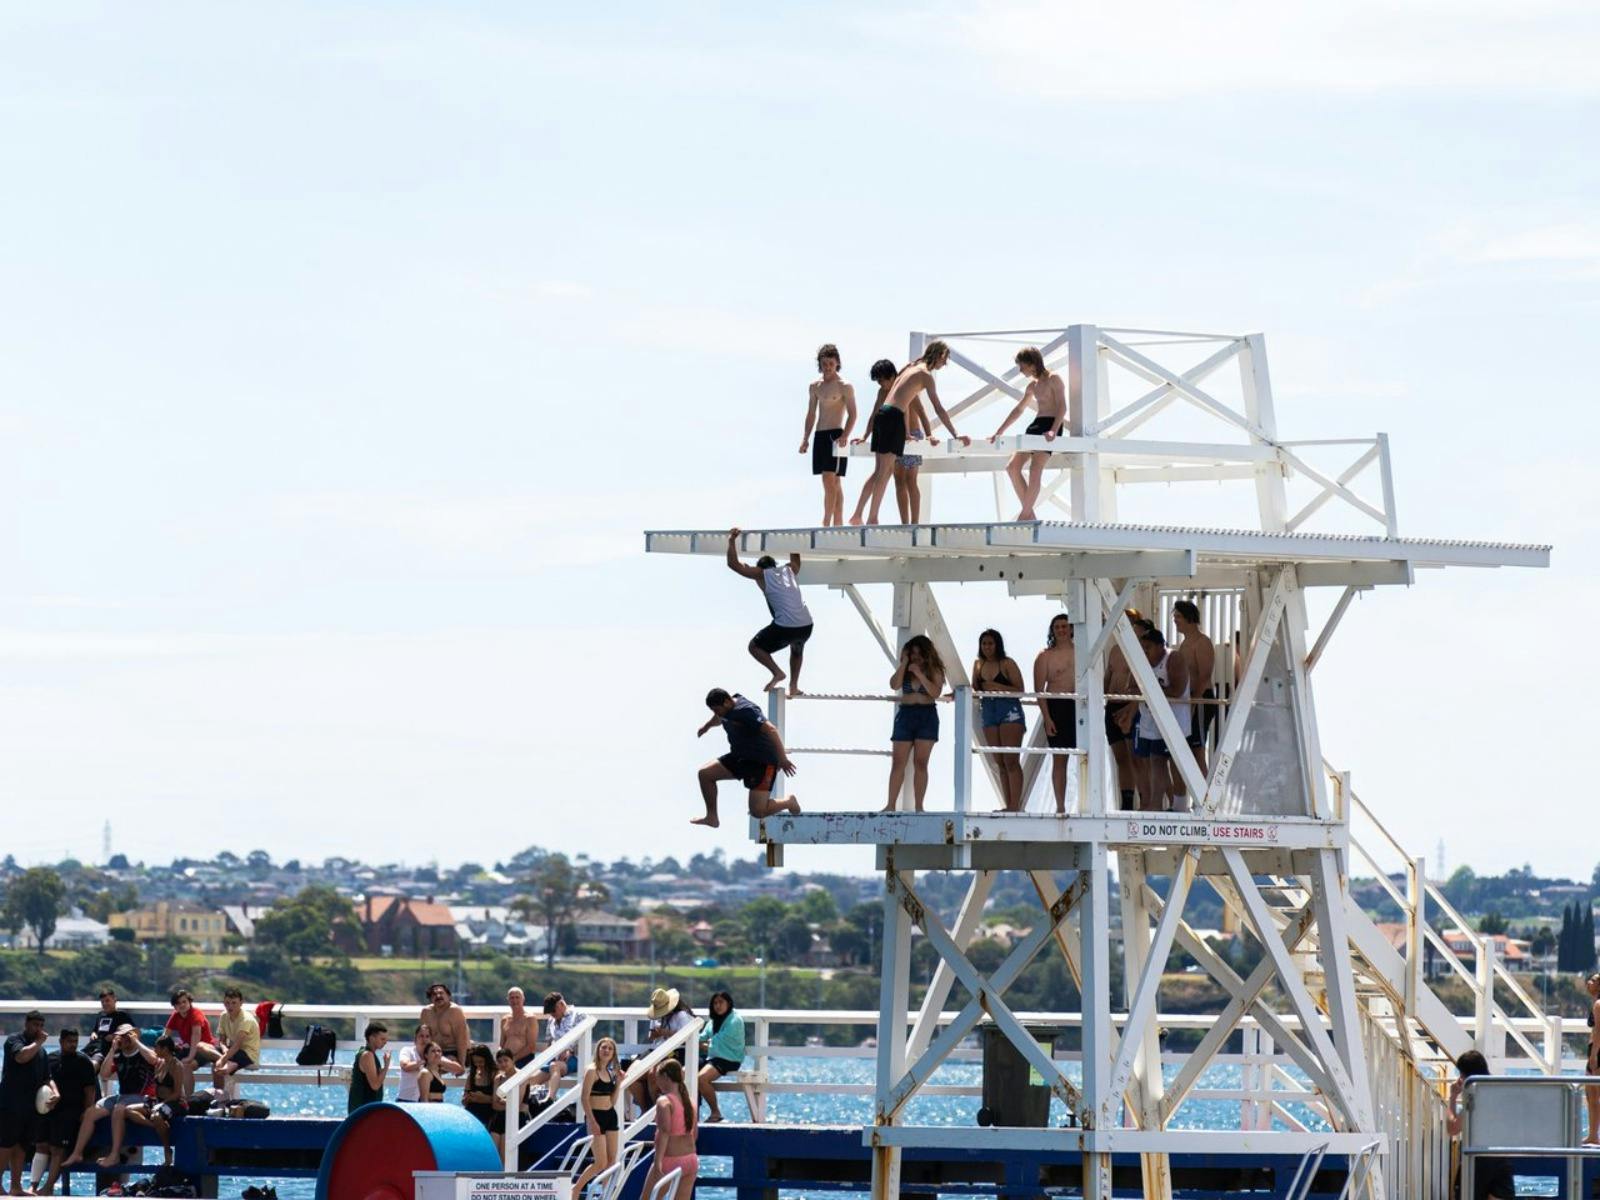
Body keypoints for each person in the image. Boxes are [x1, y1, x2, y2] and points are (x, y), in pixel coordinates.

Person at [858, 341, 970, 526]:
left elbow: (902, 394)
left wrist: (867, 435)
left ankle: (871, 516)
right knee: (885, 472)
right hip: (893, 417)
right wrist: (955, 434)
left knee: (881, 472)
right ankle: (872, 518)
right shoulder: (925, 375)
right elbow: (938, 408)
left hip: (883, 415)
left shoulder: (911, 367)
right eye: (945, 360)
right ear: (940, 356)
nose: (945, 364)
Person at [694, 688, 801, 827]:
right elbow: (719, 718)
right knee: (705, 774)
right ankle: (712, 817)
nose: (716, 714)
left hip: (763, 762)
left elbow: (771, 730)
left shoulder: (746, 711)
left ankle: (789, 801)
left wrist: (783, 759)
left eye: (717, 710)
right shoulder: (726, 708)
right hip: (740, 757)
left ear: (726, 702)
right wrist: (706, 726)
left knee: (758, 811)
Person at [850, 359, 939, 525]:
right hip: (894, 434)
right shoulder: (882, 393)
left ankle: (914, 522)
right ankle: (904, 522)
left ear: (892, 376)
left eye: (883, 380)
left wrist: (928, 435)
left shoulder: (907, 388)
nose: (881, 384)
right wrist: (865, 436)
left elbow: (922, 414)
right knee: (897, 479)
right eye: (878, 381)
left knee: (911, 480)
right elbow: (874, 415)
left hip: (912, 436)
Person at [725, 529, 812, 696]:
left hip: (786, 626)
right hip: (806, 626)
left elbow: (733, 564)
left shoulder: (762, 574)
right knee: (796, 648)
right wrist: (793, 540)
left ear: (760, 569)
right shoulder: (790, 570)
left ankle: (777, 672)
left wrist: (731, 540)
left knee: (754, 647)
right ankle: (793, 686)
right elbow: (796, 560)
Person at [989, 347, 1067, 520]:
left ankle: (1024, 515)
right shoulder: (1032, 386)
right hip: (1035, 426)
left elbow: (1062, 407)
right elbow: (1019, 410)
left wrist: (1053, 430)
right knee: (1012, 467)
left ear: (1032, 364)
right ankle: (1029, 515)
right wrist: (999, 432)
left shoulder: (1054, 379)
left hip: (1050, 425)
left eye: (1021, 366)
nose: (1020, 370)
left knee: (1035, 469)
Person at [62, 1025, 154, 1168]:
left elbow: (153, 1059)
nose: (123, 1039)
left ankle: (114, 1154)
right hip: (123, 1095)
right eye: (120, 1036)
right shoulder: (117, 1055)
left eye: (126, 1036)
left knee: (119, 1109)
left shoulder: (142, 1052)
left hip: (141, 1096)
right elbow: (104, 1074)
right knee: (90, 1112)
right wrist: (112, 1050)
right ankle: (77, 1153)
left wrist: (136, 1042)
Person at [97, 1035, 185, 1168]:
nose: (154, 1049)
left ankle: (167, 1149)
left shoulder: (176, 1065)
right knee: (128, 1110)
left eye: (157, 1047)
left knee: (157, 1115)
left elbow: (177, 1093)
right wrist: (155, 1101)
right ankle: (157, 1126)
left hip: (174, 1102)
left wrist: (163, 1103)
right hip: (158, 1101)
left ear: (165, 1049)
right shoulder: (160, 1064)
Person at [798, 344, 857, 527]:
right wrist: (805, 439)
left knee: (828, 479)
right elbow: (811, 414)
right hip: (820, 435)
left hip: (836, 435)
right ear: (820, 364)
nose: (828, 367)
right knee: (834, 482)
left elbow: (853, 414)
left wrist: (846, 435)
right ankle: (838, 522)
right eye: (824, 363)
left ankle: (826, 522)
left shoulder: (844, 386)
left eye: (831, 363)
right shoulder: (815, 386)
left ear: (837, 363)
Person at [884, 636, 945, 813]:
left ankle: (919, 806)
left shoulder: (933, 669)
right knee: (898, 763)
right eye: (913, 653)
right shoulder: (905, 670)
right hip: (906, 715)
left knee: (921, 763)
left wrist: (919, 673)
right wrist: (904, 664)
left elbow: (935, 692)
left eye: (919, 653)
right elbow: (894, 684)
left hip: (927, 715)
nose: (916, 656)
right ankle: (890, 805)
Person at [1132, 627, 1190, 812]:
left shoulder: (1173, 659)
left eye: (1148, 647)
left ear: (1159, 646)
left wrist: (1151, 692)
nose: (1145, 652)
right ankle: (1156, 806)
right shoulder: (1143, 662)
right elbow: (1131, 688)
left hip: (1175, 722)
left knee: (1176, 764)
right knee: (1155, 761)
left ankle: (1180, 806)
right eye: (1142, 648)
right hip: (1152, 723)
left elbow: (1177, 690)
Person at [33, 1027, 95, 1196]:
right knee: (41, 1145)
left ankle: (48, 1187)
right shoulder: (51, 1059)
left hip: (70, 1113)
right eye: (69, 1041)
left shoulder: (83, 1061)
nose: (73, 1045)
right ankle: (34, 1185)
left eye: (75, 1042)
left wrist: (87, 1111)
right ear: (61, 1042)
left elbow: (90, 1090)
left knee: (57, 1149)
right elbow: (43, 1082)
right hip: (49, 1110)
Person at [1447, 1049, 1513, 1199]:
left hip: (1477, 1160)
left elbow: (1453, 1128)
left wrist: (1452, 1098)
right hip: (1502, 1157)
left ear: (1466, 1075)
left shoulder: (1475, 1094)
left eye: (1461, 1074)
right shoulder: (1499, 1090)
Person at [973, 630, 1026, 812]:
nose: (987, 647)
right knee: (1000, 761)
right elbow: (974, 689)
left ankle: (1015, 805)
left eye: (991, 643)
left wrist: (995, 686)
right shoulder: (978, 665)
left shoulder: (1007, 663)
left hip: (1009, 710)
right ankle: (1008, 804)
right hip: (988, 711)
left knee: (1011, 759)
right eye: (984, 643)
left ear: (998, 645)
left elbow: (1020, 689)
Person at [1033, 614, 1078, 815]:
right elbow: (1039, 690)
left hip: (1079, 705)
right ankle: (1060, 806)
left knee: (1088, 756)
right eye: (1057, 627)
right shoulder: (1045, 656)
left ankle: (1088, 803)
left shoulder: (1083, 652)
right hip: (1056, 707)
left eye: (1064, 626)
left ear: (1071, 629)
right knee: (1060, 759)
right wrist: (1047, 718)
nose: (1061, 630)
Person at [2, 1010, 49, 1195]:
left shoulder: (42, 1051)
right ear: (26, 1024)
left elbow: (47, 1078)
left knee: (22, 1146)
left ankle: (16, 1186)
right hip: (10, 1102)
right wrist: (38, 1042)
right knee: (5, 1144)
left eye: (40, 1026)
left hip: (31, 1106)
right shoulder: (14, 1040)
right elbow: (21, 1057)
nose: (38, 1029)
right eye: (35, 1025)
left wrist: (55, 1092)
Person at [630, 990, 696, 1113]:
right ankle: (646, 1111)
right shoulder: (656, 1016)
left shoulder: (681, 1016)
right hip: (656, 1050)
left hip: (673, 1051)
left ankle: (658, 1112)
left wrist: (666, 1033)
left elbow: (688, 1037)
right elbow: (651, 1036)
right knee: (631, 1075)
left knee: (653, 1075)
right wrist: (655, 1034)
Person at [640, 1060, 698, 1200]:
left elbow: (664, 1132)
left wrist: (658, 1162)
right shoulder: (690, 1102)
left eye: (657, 1078)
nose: (656, 1082)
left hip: (670, 1160)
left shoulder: (664, 1101)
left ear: (665, 1076)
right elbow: (694, 1133)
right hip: (691, 1160)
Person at [1172, 601, 1217, 777]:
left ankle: (1206, 798)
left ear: (1189, 618)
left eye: (1178, 617)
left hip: (1200, 699)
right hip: (1188, 700)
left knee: (1197, 750)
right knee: (1187, 750)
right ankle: (1196, 796)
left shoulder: (1202, 642)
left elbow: (1204, 676)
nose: (1175, 620)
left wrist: (1193, 704)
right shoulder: (1184, 644)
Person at [573, 1037, 623, 1195]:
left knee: (611, 1160)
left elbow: (613, 1101)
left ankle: (606, 1194)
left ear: (613, 1053)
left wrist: (619, 1083)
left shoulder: (609, 1072)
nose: (606, 1050)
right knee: (600, 1162)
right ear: (598, 1050)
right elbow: (584, 1098)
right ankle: (576, 1189)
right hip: (596, 1117)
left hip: (610, 1116)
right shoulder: (591, 1070)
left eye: (610, 1048)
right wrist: (592, 1121)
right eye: (604, 1047)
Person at [697, 991, 745, 1124]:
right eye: (715, 1003)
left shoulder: (735, 1020)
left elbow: (718, 1042)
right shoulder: (714, 1020)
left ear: (728, 1003)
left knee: (701, 1079)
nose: (718, 1006)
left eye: (721, 1002)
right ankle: (691, 1114)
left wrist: (704, 1045)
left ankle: (715, 1113)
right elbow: (703, 1036)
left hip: (729, 1058)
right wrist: (695, 1040)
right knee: (685, 1072)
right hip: (713, 1057)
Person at [164, 989, 219, 1096]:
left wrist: (190, 1057)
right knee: (166, 1064)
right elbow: (166, 1035)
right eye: (178, 1003)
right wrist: (161, 1054)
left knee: (186, 1066)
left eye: (184, 1001)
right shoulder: (176, 1015)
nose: (182, 1005)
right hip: (188, 1048)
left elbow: (196, 1036)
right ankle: (173, 1097)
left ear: (189, 1002)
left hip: (204, 1049)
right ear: (175, 1006)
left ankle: (189, 1099)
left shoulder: (196, 1014)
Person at [213, 987, 259, 1094]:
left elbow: (237, 1045)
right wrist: (224, 1049)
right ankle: (218, 1095)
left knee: (221, 1066)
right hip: (231, 1051)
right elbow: (222, 1040)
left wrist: (223, 1058)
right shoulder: (224, 1016)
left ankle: (223, 1097)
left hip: (248, 1053)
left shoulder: (246, 1019)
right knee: (209, 1052)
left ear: (241, 1003)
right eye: (227, 1003)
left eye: (234, 1003)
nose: (230, 1006)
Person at [396, 1024, 459, 1103]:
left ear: (431, 1039)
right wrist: (423, 1062)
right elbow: (405, 1066)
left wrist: (439, 1061)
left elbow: (458, 1069)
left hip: (425, 1101)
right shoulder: (407, 1051)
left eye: (427, 1036)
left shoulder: (435, 1055)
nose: (424, 1039)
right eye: (421, 1036)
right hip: (405, 1100)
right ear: (415, 1039)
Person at [85, 988, 134, 1072]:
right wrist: (93, 1034)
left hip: (105, 1051)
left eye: (107, 1001)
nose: (105, 1004)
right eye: (102, 1002)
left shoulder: (122, 1016)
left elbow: (133, 1033)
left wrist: (115, 1036)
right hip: (92, 1047)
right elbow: (95, 1030)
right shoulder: (101, 1015)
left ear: (115, 999)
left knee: (91, 1066)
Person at [420, 983, 471, 1064]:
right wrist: (421, 1056)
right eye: (434, 994)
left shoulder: (454, 1011)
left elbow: (461, 1039)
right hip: (436, 1052)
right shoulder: (426, 1012)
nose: (438, 996)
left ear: (448, 996)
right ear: (430, 998)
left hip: (455, 1052)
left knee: (436, 1064)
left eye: (441, 993)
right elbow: (422, 1037)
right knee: (416, 1065)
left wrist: (462, 1064)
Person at [348, 1022, 390, 1114]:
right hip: (363, 1109)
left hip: (364, 1108)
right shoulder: (368, 1055)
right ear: (371, 1038)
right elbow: (375, 1085)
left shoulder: (366, 1053)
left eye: (386, 1039)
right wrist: (386, 1066)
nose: (385, 1042)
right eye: (382, 1039)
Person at [490, 1048, 519, 1159]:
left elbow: (517, 1104)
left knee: (504, 1154)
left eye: (506, 1060)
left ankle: (505, 1176)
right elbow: (494, 1104)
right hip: (499, 1117)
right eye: (500, 1061)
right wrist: (507, 1102)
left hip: (514, 1118)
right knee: (494, 1153)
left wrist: (502, 1101)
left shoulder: (520, 1075)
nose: (503, 1064)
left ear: (512, 1060)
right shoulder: (499, 1078)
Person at [500, 988, 538, 1069]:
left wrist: (513, 1059)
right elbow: (501, 1044)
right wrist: (500, 1057)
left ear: (523, 999)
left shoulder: (530, 1019)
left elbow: (531, 1046)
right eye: (512, 998)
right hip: (506, 1060)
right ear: (508, 1000)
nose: (515, 1000)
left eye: (517, 997)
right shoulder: (505, 1019)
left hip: (524, 1059)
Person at [461, 1045, 496, 1132]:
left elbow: (498, 1101)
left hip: (489, 1115)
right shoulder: (472, 1075)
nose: (478, 1065)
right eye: (475, 1062)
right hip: (472, 1114)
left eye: (481, 1062)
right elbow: (464, 1099)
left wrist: (483, 1098)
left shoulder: (495, 1075)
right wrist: (467, 1098)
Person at [1584, 973, 1600, 1144]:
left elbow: (1598, 1032)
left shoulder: (1598, 1004)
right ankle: (1593, 1135)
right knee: (1592, 1095)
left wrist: (1594, 1055)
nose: (1589, 982)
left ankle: (1594, 1135)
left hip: (1597, 1050)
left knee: (1593, 1095)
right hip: (1595, 1049)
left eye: (1594, 981)